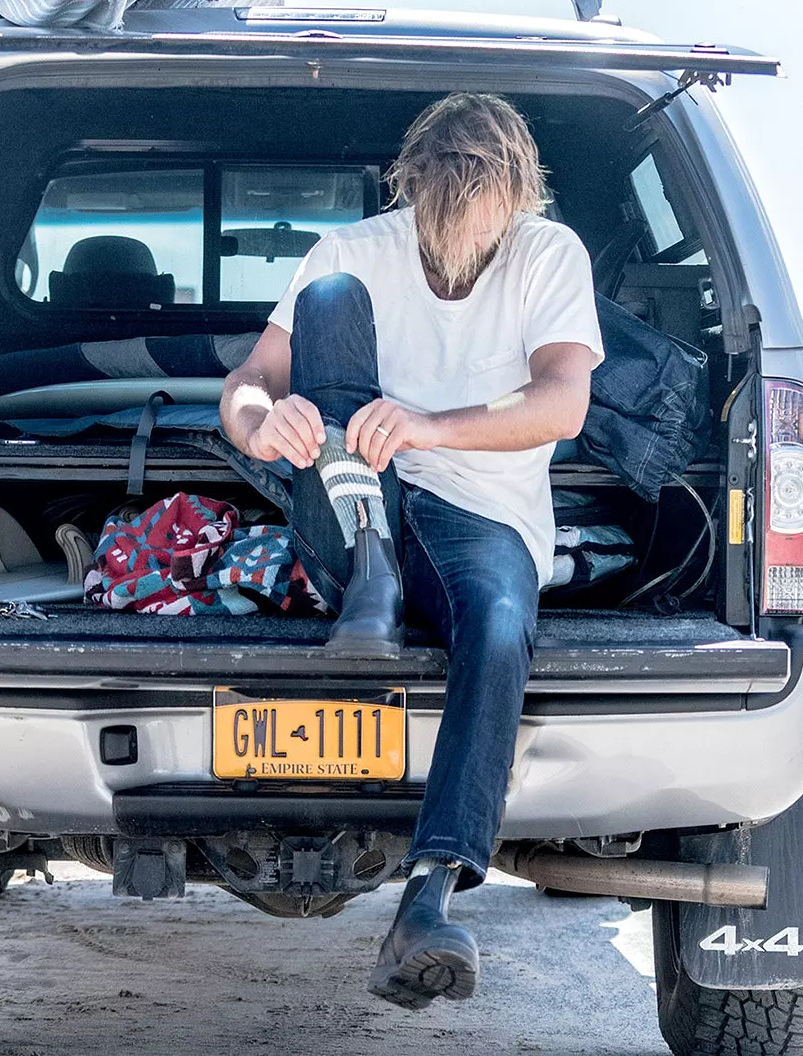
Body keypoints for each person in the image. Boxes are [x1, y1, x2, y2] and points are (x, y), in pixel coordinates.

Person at [218, 92, 604, 1009]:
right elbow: (244, 384)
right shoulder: (352, 251)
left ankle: (428, 898)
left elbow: (563, 403)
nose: (453, 245)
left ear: (516, 193)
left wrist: (430, 426)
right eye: (436, 214)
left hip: (482, 513)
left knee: (503, 623)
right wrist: (263, 422)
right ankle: (370, 574)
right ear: (413, 188)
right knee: (331, 301)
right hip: (350, 498)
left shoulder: (550, 253)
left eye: (477, 219)